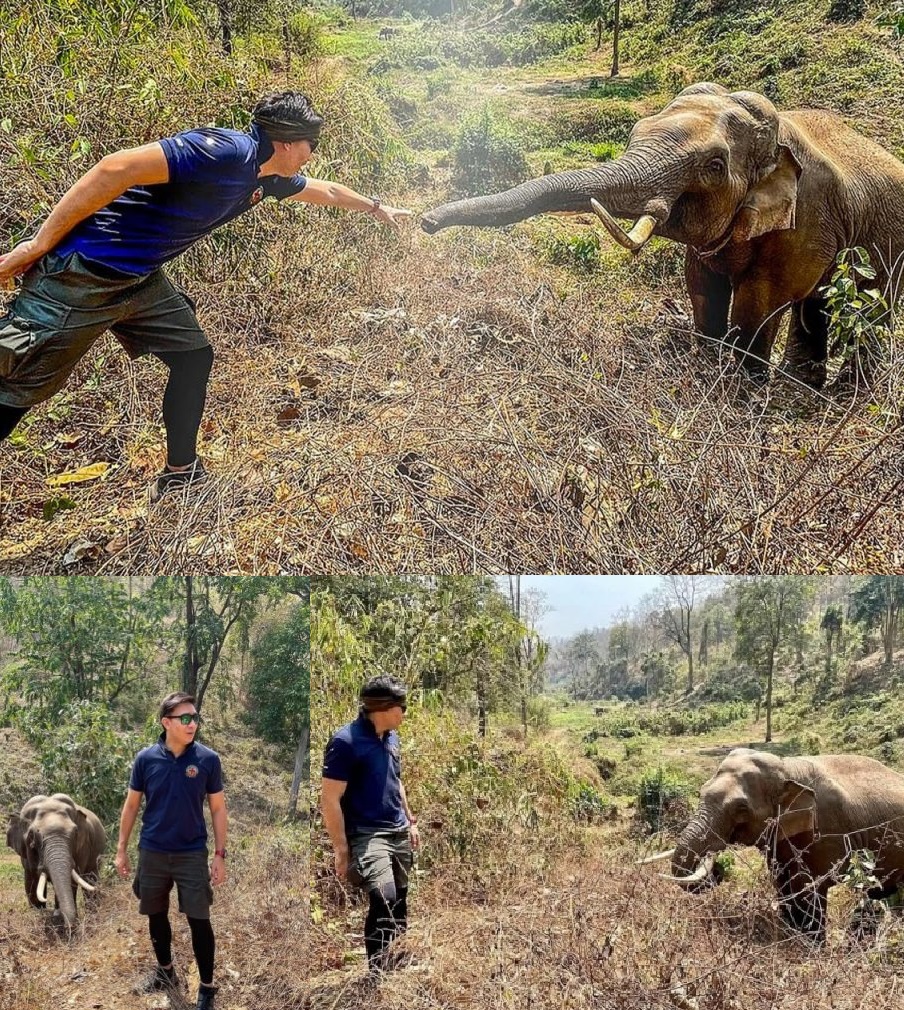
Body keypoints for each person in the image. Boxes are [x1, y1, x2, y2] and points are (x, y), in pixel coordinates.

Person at [0, 91, 411, 499]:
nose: (311, 155)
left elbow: (329, 192)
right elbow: (115, 167)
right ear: (287, 140)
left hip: (140, 281)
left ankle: (181, 473)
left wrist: (378, 208)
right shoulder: (225, 151)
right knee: (18, 383)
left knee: (193, 356)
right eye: (311, 145)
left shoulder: (266, 179)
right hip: (82, 275)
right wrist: (37, 245)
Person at [114, 692, 228, 1010]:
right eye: (185, 718)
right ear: (166, 722)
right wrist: (121, 849)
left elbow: (218, 809)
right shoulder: (146, 759)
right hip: (152, 850)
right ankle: (166, 973)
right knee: (155, 914)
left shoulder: (207, 760)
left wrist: (220, 855)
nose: (193, 724)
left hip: (191, 852)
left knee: (199, 919)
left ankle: (207, 989)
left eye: (195, 718)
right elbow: (132, 804)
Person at [321, 675, 420, 975]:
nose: (405, 711)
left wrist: (411, 820)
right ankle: (376, 972)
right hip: (367, 834)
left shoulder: (392, 737)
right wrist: (341, 849)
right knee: (384, 896)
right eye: (402, 705)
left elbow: (396, 780)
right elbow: (330, 799)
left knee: (400, 900)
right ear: (385, 707)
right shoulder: (346, 742)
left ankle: (397, 963)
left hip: (398, 829)